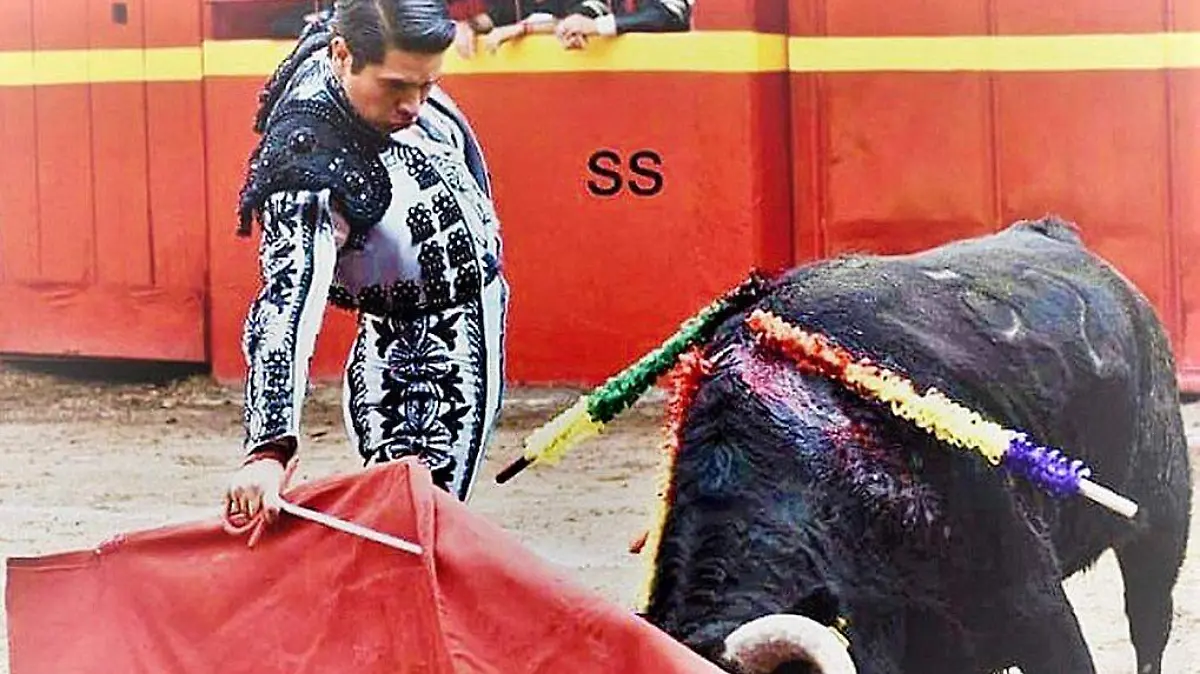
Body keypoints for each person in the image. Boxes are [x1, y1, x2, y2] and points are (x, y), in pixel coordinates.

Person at [223, 0, 508, 526]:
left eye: (427, 86)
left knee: (421, 513)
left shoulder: (368, 46)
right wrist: (268, 448)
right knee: (416, 517)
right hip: (412, 342)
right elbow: (288, 299)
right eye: (396, 86)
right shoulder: (307, 159)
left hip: (471, 309)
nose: (414, 106)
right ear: (341, 55)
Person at [556, 0, 693, 46]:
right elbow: (597, 5)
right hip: (620, 74)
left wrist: (598, 26)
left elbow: (665, 15)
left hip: (666, 72)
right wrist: (574, 23)